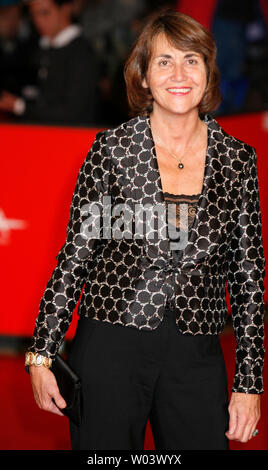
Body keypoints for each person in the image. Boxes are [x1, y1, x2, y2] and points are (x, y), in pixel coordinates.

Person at [25, 9, 266, 450]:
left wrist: (250, 383)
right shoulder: (112, 150)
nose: (179, 73)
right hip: (111, 343)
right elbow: (76, 256)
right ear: (143, 77)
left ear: (208, 72)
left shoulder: (238, 160)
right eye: (164, 61)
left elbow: (249, 280)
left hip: (197, 354)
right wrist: (42, 352)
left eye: (192, 60)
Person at [0, 0, 99, 125]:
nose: (38, 20)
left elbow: (74, 112)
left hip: (69, 137)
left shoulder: (81, 53)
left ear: (65, 9)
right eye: (33, 14)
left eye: (44, 13)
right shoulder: (34, 47)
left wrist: (20, 106)